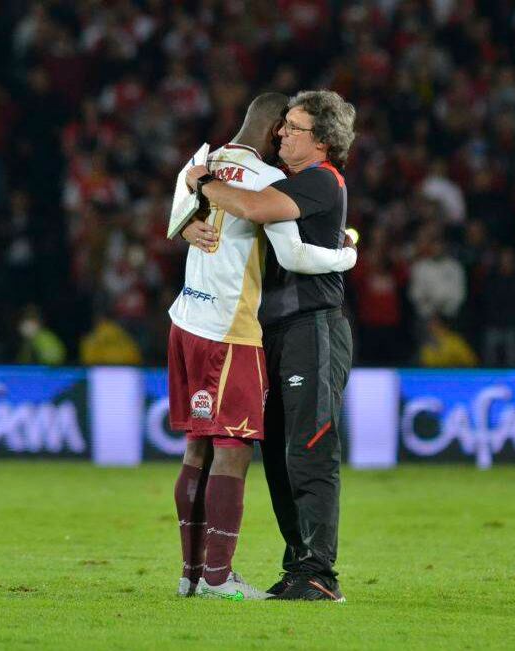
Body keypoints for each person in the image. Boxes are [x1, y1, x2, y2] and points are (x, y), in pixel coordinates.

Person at [171, 93, 356, 601]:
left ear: (322, 141)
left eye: (294, 128)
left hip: (312, 328)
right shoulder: (280, 181)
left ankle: (318, 572)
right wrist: (187, 222)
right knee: (274, 454)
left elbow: (255, 212)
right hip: (266, 331)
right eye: (284, 125)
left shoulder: (320, 180)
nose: (282, 134)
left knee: (309, 449)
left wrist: (201, 181)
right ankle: (297, 565)